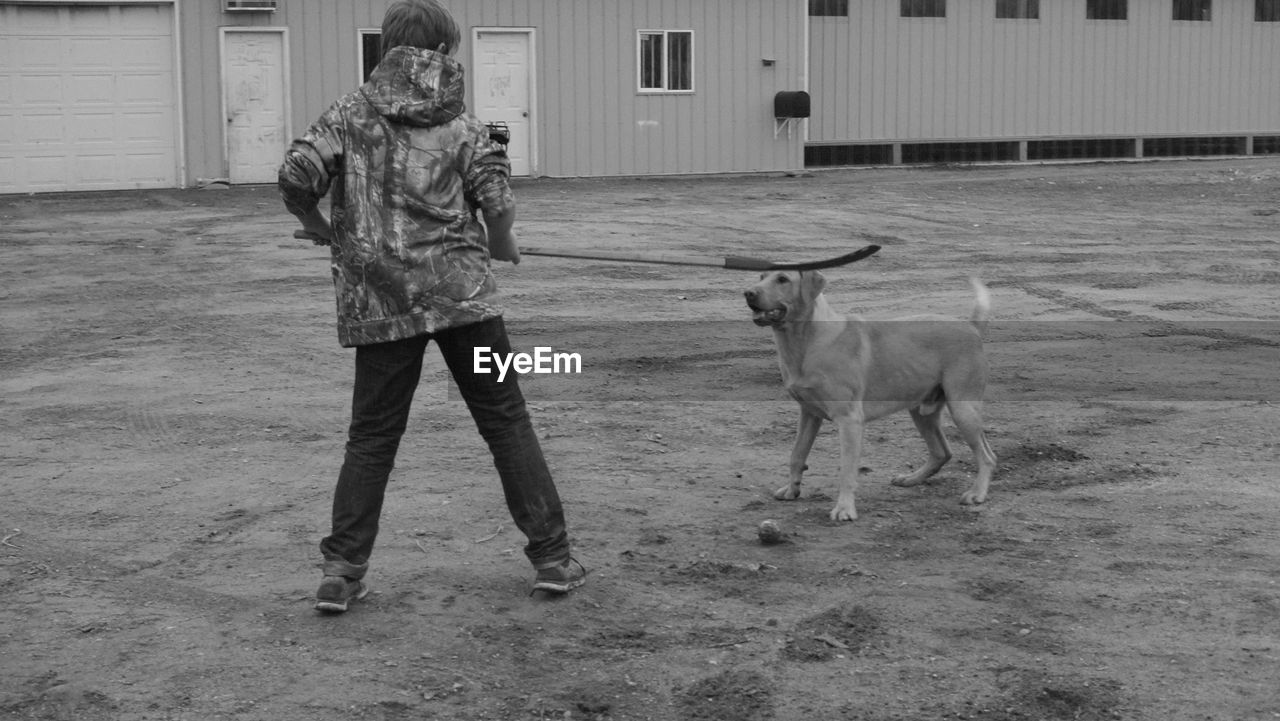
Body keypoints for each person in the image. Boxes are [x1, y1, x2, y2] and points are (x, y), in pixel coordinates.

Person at [278, 0, 584, 612]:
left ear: (387, 48)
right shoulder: (473, 126)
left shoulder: (345, 115)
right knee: (505, 420)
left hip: (381, 301)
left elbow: (293, 176)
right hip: (463, 299)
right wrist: (502, 246)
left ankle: (341, 570)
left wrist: (318, 225)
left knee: (371, 436)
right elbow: (497, 204)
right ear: (444, 52)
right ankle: (552, 558)